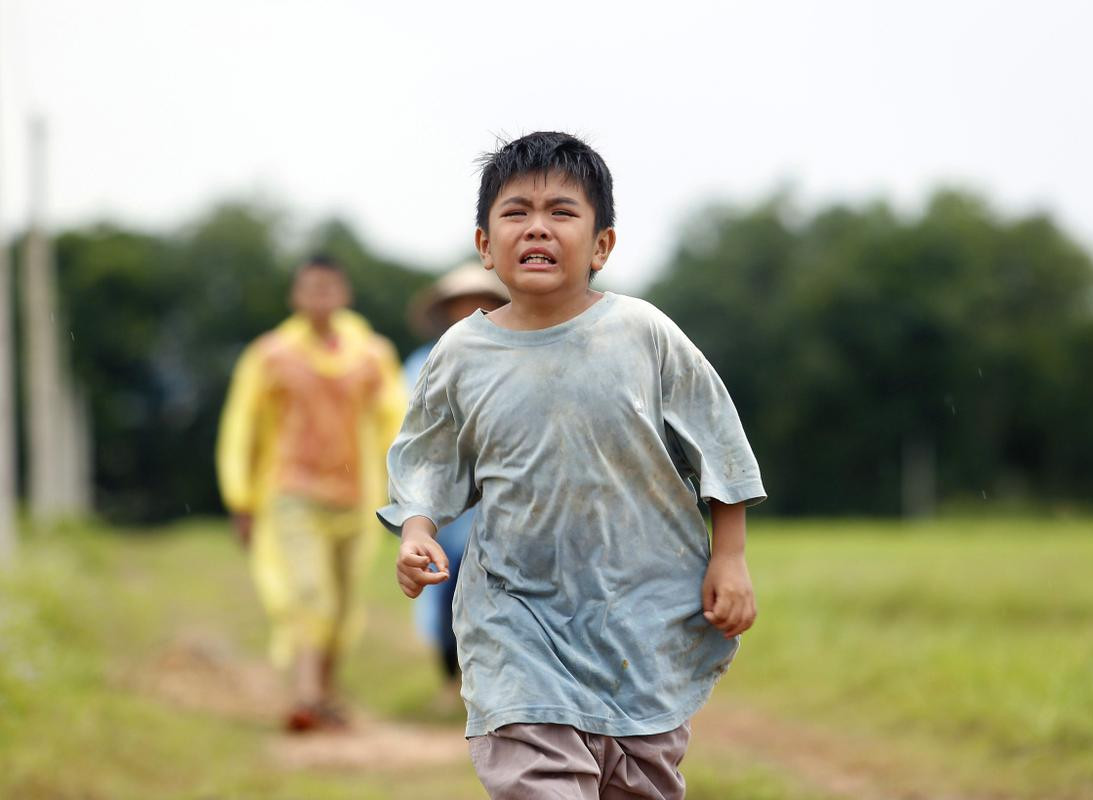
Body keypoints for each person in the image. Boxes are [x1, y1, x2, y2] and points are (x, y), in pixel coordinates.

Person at [380, 132, 765, 799]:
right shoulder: (462, 354)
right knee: (541, 784)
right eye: (516, 211)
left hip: (639, 614)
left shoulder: (643, 334)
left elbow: (719, 446)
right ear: (483, 243)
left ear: (602, 245)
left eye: (562, 212)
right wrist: (416, 532)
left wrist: (729, 556)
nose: (537, 227)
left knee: (639, 784)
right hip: (514, 617)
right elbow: (428, 458)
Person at [216, 254, 405, 732]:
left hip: (354, 497)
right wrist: (241, 497)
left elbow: (396, 422)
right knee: (310, 594)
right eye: (310, 288)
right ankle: (304, 697)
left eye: (329, 287)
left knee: (342, 606)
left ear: (344, 295)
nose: (320, 297)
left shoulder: (372, 355)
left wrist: (404, 488)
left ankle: (325, 695)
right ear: (295, 296)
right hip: (292, 493)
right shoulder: (271, 354)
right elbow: (242, 425)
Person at [403, 262, 509, 695]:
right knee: (450, 575)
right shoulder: (423, 364)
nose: (470, 311)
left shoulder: (517, 356)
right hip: (447, 491)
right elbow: (414, 432)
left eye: (480, 303)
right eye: (461, 304)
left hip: (503, 489)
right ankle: (454, 672)